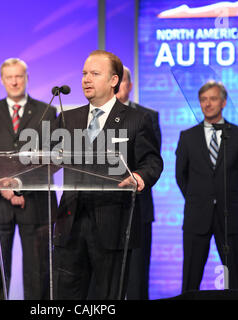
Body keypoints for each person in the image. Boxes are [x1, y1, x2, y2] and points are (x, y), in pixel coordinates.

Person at [52, 50, 163, 300]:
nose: (86, 79)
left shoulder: (137, 119)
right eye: (84, 73)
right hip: (71, 224)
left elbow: (152, 161)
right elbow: (50, 158)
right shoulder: (68, 119)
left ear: (114, 80)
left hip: (113, 222)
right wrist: (18, 177)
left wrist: (139, 177)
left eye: (94, 74)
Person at [0, 58, 57, 300]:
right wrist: (5, 189)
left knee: (38, 274)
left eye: (19, 76)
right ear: (2, 80)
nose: (14, 81)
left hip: (36, 204)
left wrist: (21, 187)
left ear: (27, 78)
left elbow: (52, 159)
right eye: (9, 77)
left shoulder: (48, 112)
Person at [175, 80, 238, 292]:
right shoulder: (187, 137)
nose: (207, 104)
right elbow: (181, 176)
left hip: (230, 217)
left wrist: (231, 199)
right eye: (203, 100)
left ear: (223, 102)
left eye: (212, 99)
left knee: (236, 278)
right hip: (196, 216)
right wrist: (198, 198)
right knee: (190, 279)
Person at [116, 66, 161, 300]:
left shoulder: (147, 116)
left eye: (121, 81)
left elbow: (152, 160)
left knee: (136, 277)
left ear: (130, 85)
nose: (117, 86)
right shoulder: (92, 117)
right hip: (104, 207)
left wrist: (138, 177)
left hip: (139, 206)